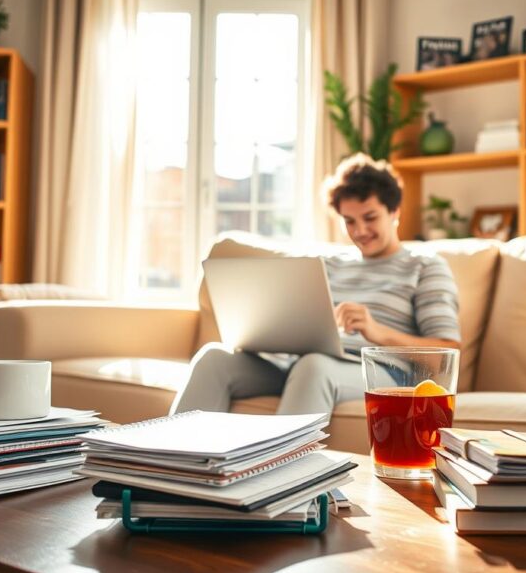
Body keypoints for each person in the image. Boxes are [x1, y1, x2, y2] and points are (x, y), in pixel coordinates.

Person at [171, 153, 461, 415]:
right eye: (349, 221)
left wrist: (378, 332)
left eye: (370, 218)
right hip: (296, 362)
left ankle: (283, 475)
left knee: (314, 366)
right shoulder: (327, 263)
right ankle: (169, 466)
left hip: (377, 371)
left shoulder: (424, 266)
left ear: (395, 211)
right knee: (213, 359)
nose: (360, 231)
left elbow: (446, 355)